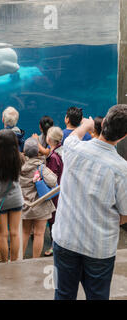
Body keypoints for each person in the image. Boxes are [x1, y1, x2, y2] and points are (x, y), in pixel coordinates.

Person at [53, 104, 127, 300]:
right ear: (123, 136)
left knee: (63, 294)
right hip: (99, 247)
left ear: (102, 125)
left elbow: (72, 136)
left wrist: (86, 125)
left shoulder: (73, 148)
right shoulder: (122, 170)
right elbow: (125, 214)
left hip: (65, 239)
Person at [0, 129, 24, 262]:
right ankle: (14, 262)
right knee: (14, 233)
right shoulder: (19, 159)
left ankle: (4, 263)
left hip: (0, 202)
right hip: (16, 200)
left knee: (2, 235)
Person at [19, 138, 57, 259]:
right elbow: (53, 181)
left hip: (25, 205)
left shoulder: (19, 167)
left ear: (25, 151)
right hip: (40, 206)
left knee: (24, 233)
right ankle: (35, 261)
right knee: (39, 234)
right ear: (37, 152)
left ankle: (19, 259)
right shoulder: (41, 168)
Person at [44, 126, 64, 257]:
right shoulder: (63, 151)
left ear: (49, 139)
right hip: (63, 190)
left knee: (53, 220)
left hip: (55, 193)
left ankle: (54, 246)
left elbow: (51, 178)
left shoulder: (53, 157)